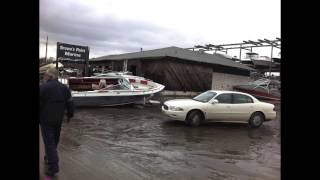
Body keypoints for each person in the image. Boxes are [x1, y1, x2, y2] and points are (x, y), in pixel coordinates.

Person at [40, 67, 74, 177]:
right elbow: (70, 103)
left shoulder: (43, 87)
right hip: (58, 120)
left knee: (49, 143)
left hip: (46, 120)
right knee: (54, 140)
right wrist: (70, 115)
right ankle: (49, 156)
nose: (44, 77)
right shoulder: (64, 88)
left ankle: (53, 168)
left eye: (45, 75)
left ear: (50, 76)